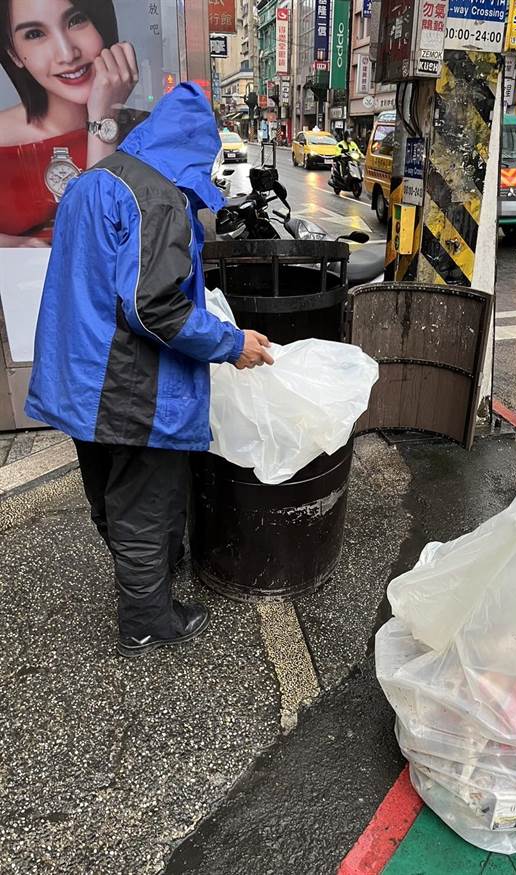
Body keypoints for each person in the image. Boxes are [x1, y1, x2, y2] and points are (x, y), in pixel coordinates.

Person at [25, 81, 274, 658]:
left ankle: (149, 579)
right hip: (128, 384)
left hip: (80, 376)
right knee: (141, 501)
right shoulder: (159, 197)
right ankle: (146, 619)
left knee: (110, 490)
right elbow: (153, 305)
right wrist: (230, 343)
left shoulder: (95, 180)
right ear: (192, 144)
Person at [0, 0, 138, 247]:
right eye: (34, 34)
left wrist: (103, 118)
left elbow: (98, 243)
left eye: (76, 20)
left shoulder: (146, 136)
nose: (67, 54)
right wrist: (15, 245)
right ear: (14, 54)